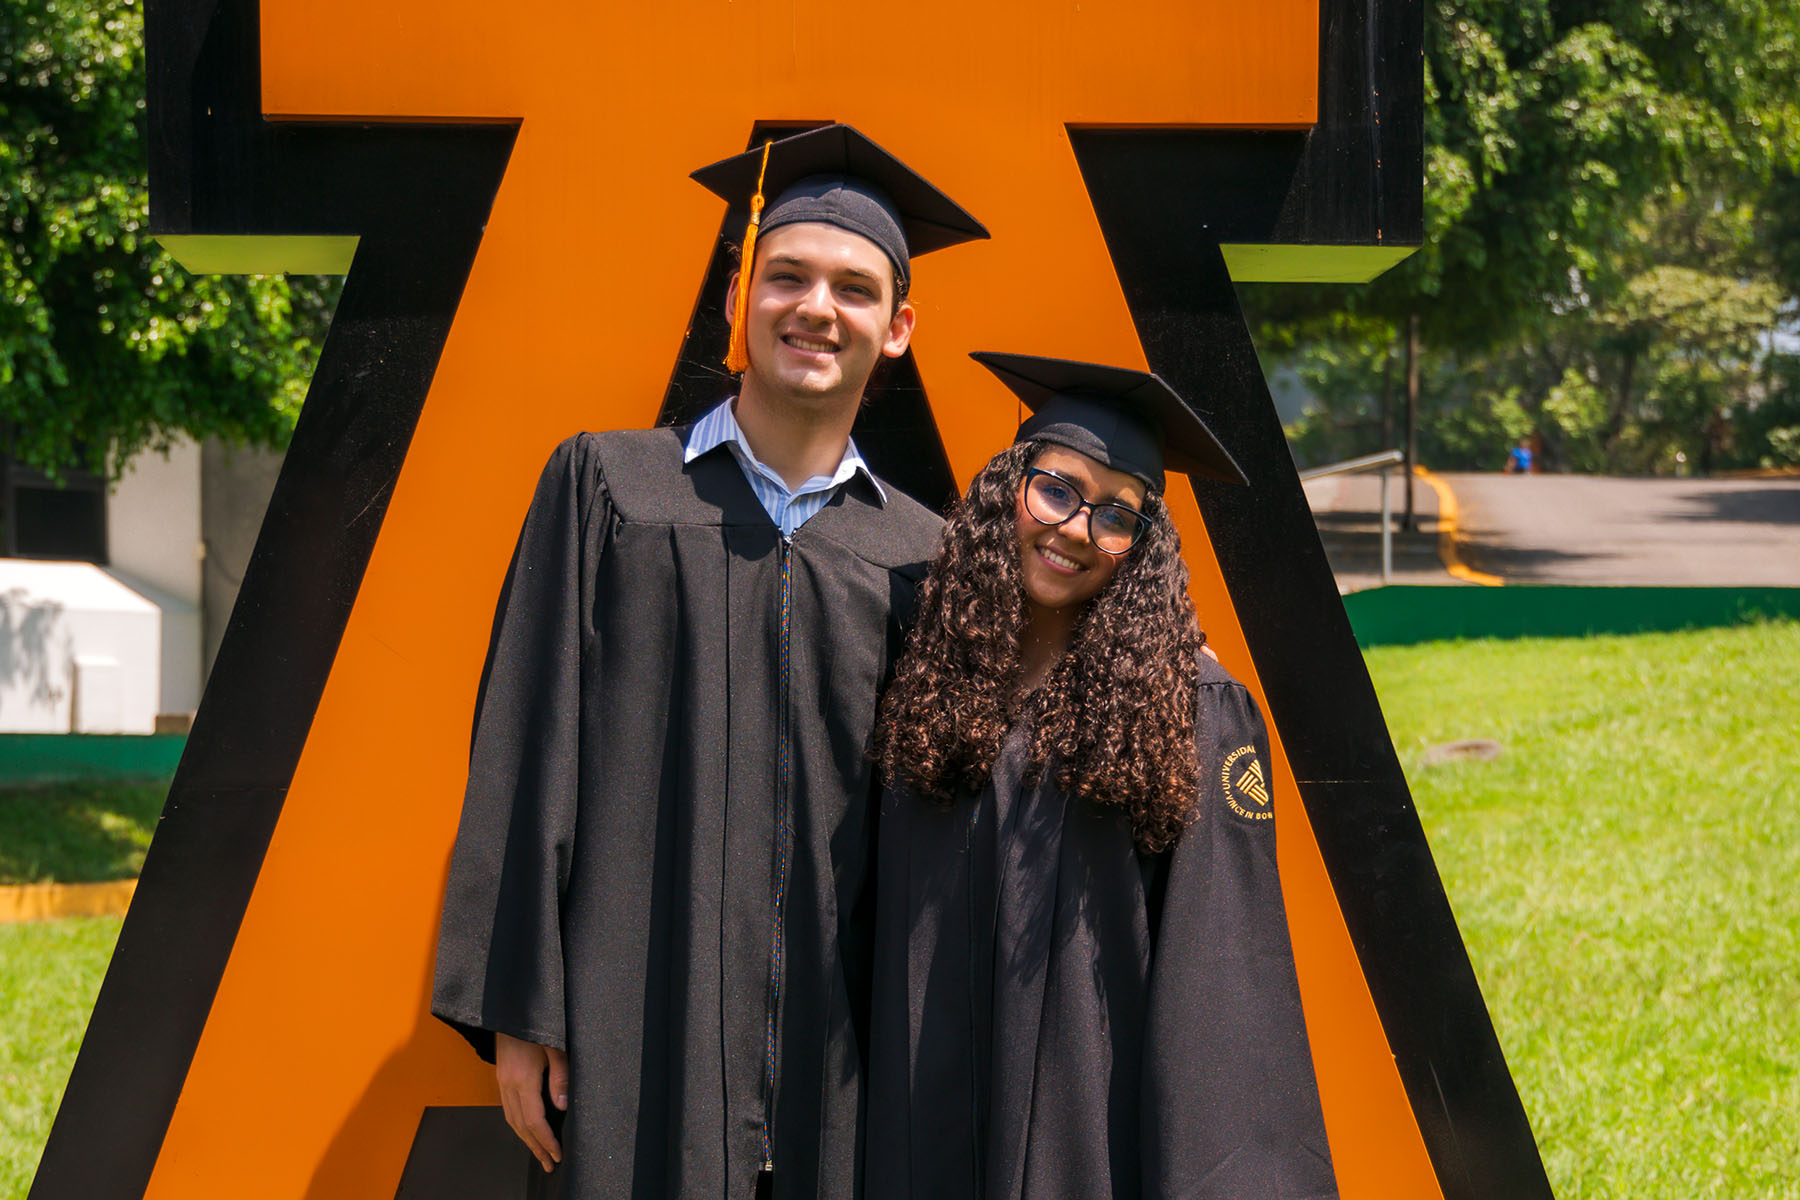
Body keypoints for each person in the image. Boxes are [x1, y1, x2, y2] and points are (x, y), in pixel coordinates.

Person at [431, 124, 987, 1199]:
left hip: (842, 1054)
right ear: (740, 298)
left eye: (853, 289)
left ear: (901, 327)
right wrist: (519, 1006)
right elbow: (523, 745)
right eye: (786, 277)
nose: (816, 309)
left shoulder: (925, 555)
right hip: (631, 1013)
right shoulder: (608, 490)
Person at [865, 353, 1338, 1199]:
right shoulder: (925, 667)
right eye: (1057, 489)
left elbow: (1228, 981)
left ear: (1142, 549)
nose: (1078, 529)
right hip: (914, 1125)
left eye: (1118, 515)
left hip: (1082, 1145)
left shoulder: (1191, 708)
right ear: (1007, 489)